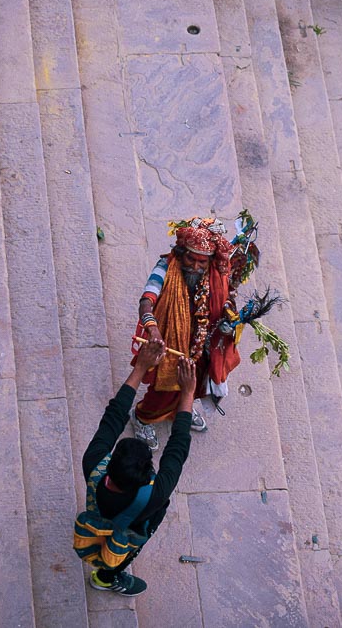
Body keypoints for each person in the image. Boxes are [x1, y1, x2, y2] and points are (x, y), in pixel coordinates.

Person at [76, 341, 196, 596]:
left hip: (100, 508)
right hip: (135, 525)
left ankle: (108, 571)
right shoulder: (155, 495)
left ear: (111, 463)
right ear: (145, 476)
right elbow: (177, 448)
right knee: (123, 550)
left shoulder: (94, 462)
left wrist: (141, 367)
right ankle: (106, 577)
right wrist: (187, 394)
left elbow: (114, 416)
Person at [131, 216, 242, 450]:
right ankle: (142, 418)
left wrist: (227, 321)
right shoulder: (164, 268)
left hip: (202, 344)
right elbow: (146, 302)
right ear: (182, 253)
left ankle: (182, 411)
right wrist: (153, 329)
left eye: (202, 262)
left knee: (197, 384)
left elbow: (227, 301)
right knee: (164, 389)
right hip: (168, 341)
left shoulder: (217, 273)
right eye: (191, 259)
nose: (195, 266)